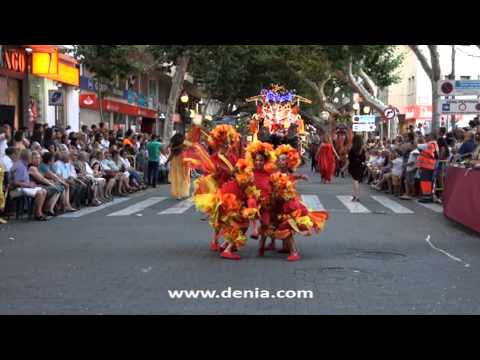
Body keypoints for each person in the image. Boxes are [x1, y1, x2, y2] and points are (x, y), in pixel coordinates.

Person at [10, 149, 50, 221]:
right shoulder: (20, 166)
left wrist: (30, 184)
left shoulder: (24, 165)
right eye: (31, 156)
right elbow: (15, 183)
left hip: (24, 187)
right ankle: (38, 214)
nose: (32, 158)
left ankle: (38, 211)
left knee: (43, 191)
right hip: (16, 190)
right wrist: (28, 185)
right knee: (39, 192)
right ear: (27, 157)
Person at [28, 151, 63, 216]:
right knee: (56, 188)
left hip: (40, 184)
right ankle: (47, 209)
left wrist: (50, 181)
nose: (38, 159)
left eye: (39, 158)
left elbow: (46, 177)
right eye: (35, 158)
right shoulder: (32, 167)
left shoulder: (37, 167)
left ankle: (49, 208)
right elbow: (41, 179)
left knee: (58, 188)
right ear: (31, 159)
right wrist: (51, 183)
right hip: (36, 186)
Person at [166, 133, 191, 200]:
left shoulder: (174, 146)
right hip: (184, 161)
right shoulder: (185, 144)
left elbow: (171, 155)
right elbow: (190, 149)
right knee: (184, 178)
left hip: (175, 162)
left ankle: (178, 194)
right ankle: (183, 192)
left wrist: (167, 161)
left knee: (177, 178)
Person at [416, 133, 439, 203]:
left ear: (432, 137)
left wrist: (416, 137)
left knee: (426, 182)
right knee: (428, 181)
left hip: (427, 165)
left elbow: (417, 145)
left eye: (427, 136)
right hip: (429, 165)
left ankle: (427, 197)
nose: (426, 137)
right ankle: (428, 196)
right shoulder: (434, 144)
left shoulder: (430, 144)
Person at [348, 135, 366, 202]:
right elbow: (364, 159)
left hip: (353, 166)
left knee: (355, 181)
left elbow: (349, 158)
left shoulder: (352, 149)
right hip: (360, 166)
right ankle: (358, 196)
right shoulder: (362, 149)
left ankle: (355, 196)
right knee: (358, 181)